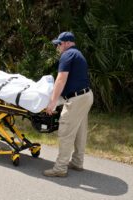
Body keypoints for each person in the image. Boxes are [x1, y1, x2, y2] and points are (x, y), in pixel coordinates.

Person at [43, 32, 93, 177]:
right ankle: (77, 162)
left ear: (66, 43)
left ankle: (60, 168)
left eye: (58, 44)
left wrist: (52, 102)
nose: (57, 47)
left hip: (77, 99)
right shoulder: (77, 54)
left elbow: (61, 79)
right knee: (79, 131)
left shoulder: (67, 55)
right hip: (86, 96)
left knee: (65, 132)